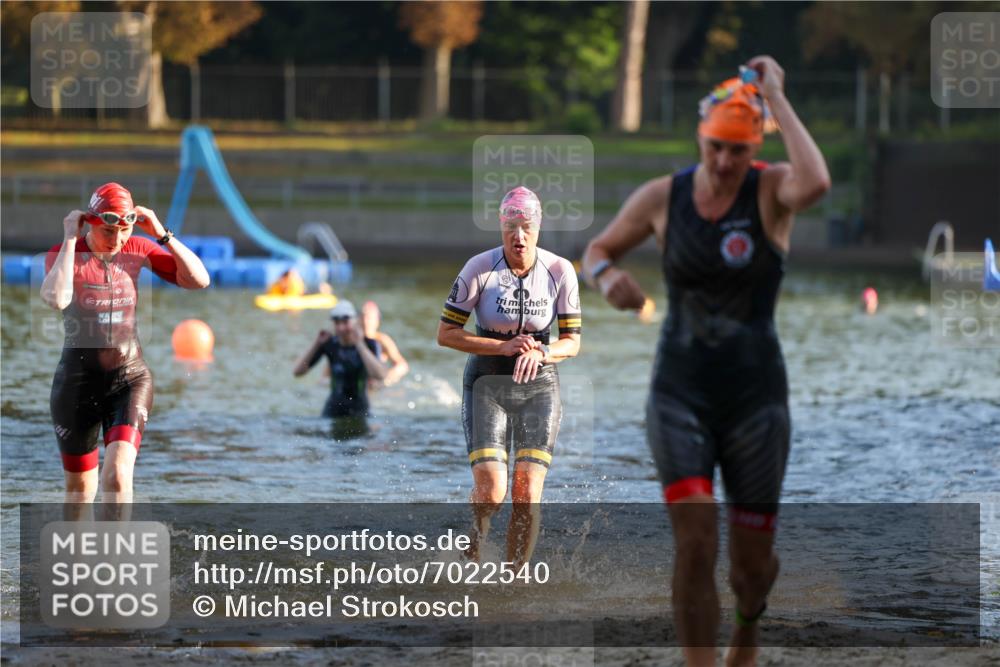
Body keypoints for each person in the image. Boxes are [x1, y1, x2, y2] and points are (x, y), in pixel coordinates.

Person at [582, 57, 830, 667]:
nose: (724, 163)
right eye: (716, 147)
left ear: (756, 150)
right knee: (694, 545)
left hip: (756, 401)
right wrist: (607, 277)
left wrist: (777, 96)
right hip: (679, 393)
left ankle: (748, 627)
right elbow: (595, 249)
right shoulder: (662, 197)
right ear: (701, 138)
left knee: (751, 570)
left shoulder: (772, 192)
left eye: (738, 152)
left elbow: (817, 182)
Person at [40, 182, 210, 508]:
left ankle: (115, 556)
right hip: (77, 385)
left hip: (129, 378)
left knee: (117, 476)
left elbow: (199, 280)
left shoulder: (138, 248)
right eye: (107, 231)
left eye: (124, 230)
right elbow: (57, 298)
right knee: (79, 495)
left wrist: (161, 233)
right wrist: (69, 239)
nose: (116, 240)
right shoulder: (68, 254)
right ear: (90, 222)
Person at [437, 186, 582, 567]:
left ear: (538, 227)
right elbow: (446, 334)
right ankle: (476, 540)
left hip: (539, 385)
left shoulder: (559, 271)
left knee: (527, 490)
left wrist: (544, 352)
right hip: (487, 384)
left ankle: (516, 578)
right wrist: (500, 347)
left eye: (527, 227)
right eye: (510, 228)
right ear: (501, 228)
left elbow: (573, 341)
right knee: (493, 491)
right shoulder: (479, 269)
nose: (519, 237)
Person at [293, 300, 388, 419]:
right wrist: (317, 344)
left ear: (355, 321)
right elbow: (297, 372)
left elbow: (381, 375)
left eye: (345, 322)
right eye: (337, 323)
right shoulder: (329, 344)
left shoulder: (369, 344)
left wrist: (359, 344)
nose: (341, 328)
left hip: (360, 410)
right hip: (333, 410)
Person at [360, 300, 409, 388]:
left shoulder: (382, 340)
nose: (365, 322)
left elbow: (402, 366)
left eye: (369, 318)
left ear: (377, 321)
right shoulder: (354, 341)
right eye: (363, 317)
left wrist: (385, 380)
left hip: (378, 386)